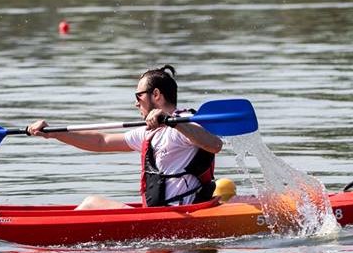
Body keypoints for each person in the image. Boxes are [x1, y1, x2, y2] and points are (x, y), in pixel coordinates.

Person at [28, 65, 223, 210]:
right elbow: (101, 142)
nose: (135, 104)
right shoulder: (149, 131)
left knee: (91, 203)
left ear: (156, 94)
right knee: (93, 203)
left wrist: (171, 120)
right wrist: (54, 134)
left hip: (180, 215)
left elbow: (214, 144)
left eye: (138, 96)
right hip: (159, 217)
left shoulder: (184, 121)